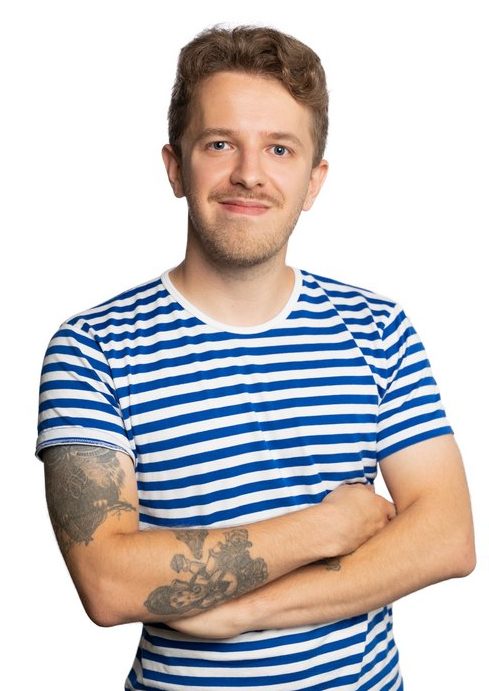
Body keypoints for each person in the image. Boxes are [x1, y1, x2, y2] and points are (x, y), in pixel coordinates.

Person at [36, 24, 475, 691]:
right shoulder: (91, 349)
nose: (249, 172)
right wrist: (328, 524)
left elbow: (446, 535)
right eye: (220, 143)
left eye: (279, 147)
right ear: (175, 165)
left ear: (313, 179)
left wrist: (246, 611)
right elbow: (109, 581)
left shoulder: (378, 329)